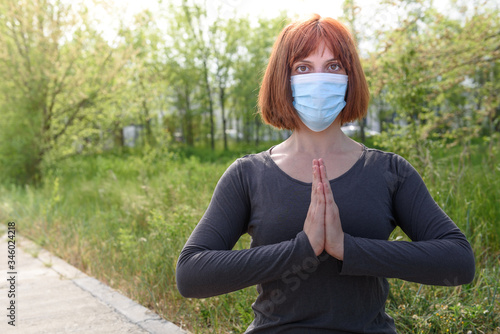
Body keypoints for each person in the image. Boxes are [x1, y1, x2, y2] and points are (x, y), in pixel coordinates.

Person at [176, 14, 475, 333]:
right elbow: (192, 275)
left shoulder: (389, 171)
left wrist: (346, 247)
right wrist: (302, 249)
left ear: (350, 77)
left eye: (333, 66)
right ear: (283, 79)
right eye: (303, 67)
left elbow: (458, 262)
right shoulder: (247, 175)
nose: (319, 79)